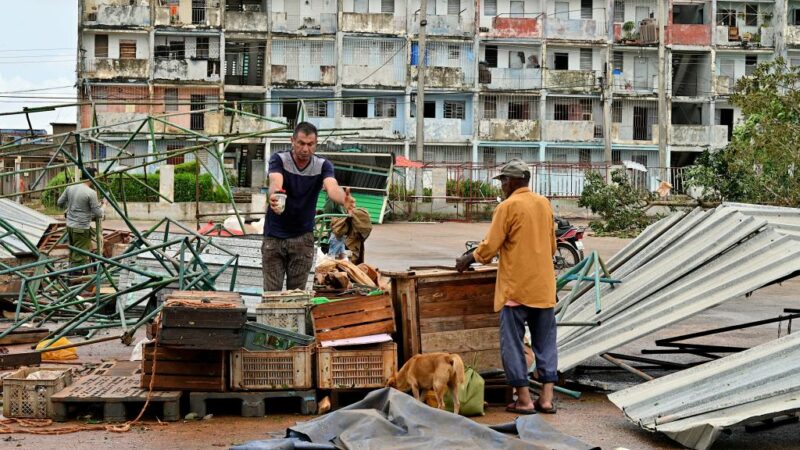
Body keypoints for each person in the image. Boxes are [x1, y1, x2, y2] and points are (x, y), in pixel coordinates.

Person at [455, 159, 558, 415]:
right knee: (545, 343)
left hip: (517, 290)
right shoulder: (543, 203)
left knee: (512, 343)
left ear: (513, 181)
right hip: (544, 288)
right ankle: (546, 399)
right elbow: (552, 246)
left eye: (503, 180)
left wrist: (467, 260)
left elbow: (489, 248)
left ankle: (523, 400)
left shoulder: (508, 206)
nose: (502, 185)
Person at [263, 122, 354, 291]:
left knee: (296, 297)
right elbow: (275, 181)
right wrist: (275, 196)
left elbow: (332, 187)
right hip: (274, 237)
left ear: (316, 144)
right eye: (301, 143)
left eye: (310, 144)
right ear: (292, 141)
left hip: (303, 238)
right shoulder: (279, 159)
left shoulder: (323, 165)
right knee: (271, 295)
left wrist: (343, 199)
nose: (306, 149)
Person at [57, 167, 104, 272]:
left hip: (70, 227)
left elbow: (59, 203)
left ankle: (71, 278)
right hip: (81, 228)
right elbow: (98, 213)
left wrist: (70, 207)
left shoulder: (70, 188)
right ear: (91, 177)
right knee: (80, 258)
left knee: (73, 253)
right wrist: (103, 205)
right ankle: (75, 282)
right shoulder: (91, 193)